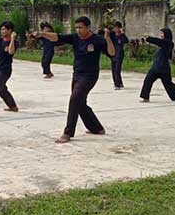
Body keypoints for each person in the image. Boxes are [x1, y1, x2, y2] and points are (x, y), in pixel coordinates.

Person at [32, 16, 115, 144]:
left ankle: (68, 132)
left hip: (90, 76)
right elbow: (58, 37)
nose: (78, 30)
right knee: (80, 103)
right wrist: (42, 34)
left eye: (81, 27)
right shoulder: (75, 38)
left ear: (88, 27)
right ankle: (97, 128)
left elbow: (112, 53)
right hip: (77, 74)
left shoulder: (97, 40)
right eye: (76, 27)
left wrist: (108, 38)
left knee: (75, 99)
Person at [139, 28, 175, 103]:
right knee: (147, 81)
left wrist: (149, 38)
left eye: (162, 33)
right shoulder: (161, 45)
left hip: (164, 69)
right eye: (160, 34)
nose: (161, 35)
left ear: (167, 34)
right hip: (155, 68)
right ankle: (145, 97)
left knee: (168, 83)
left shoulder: (169, 43)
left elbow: (158, 41)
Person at [109, 21, 129, 90]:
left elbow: (126, 41)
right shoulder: (112, 35)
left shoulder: (121, 36)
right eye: (114, 28)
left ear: (119, 28)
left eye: (117, 28)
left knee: (117, 70)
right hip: (113, 54)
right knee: (113, 70)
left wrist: (122, 33)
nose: (115, 29)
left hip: (119, 55)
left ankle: (117, 85)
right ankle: (119, 83)